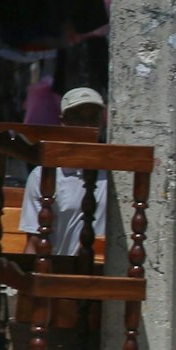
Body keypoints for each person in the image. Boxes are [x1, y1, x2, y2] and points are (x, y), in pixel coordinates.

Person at [20, 88, 110, 255]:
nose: (87, 126)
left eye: (93, 119)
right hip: (61, 270)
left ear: (101, 122)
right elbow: (34, 242)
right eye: (78, 119)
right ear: (63, 122)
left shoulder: (113, 172)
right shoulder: (43, 176)